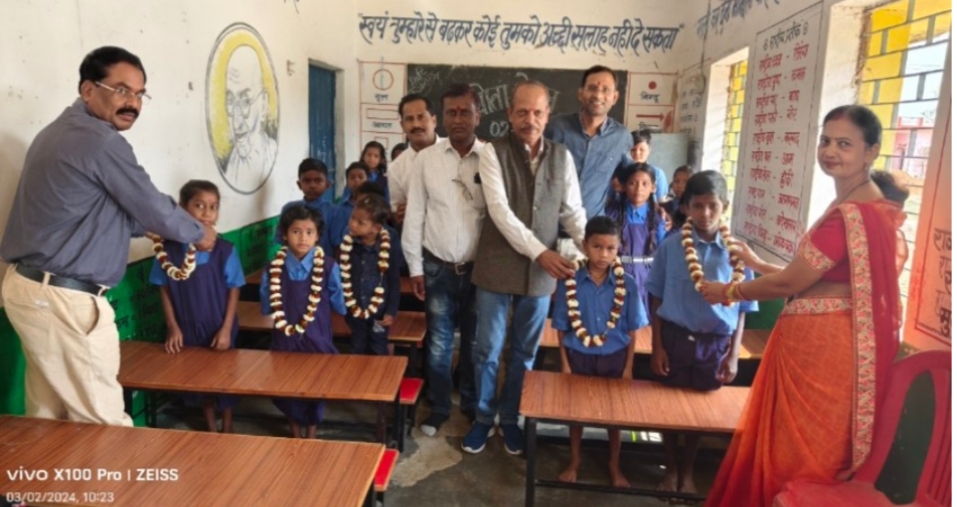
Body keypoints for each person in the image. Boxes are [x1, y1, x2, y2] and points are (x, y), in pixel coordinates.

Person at [700, 105, 909, 507]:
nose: (830, 151)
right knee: (800, 452)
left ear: (871, 152)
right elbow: (820, 276)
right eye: (826, 141)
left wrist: (727, 292)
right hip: (825, 351)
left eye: (844, 144)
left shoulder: (850, 215)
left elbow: (791, 282)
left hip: (823, 358)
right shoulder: (867, 206)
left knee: (797, 457)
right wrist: (759, 263)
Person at [0, 46, 216, 426]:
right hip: (64, 299)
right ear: (88, 89)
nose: (133, 102)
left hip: (33, 291)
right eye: (121, 90)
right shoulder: (99, 140)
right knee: (106, 426)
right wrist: (197, 232)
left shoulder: (56, 133)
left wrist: (159, 228)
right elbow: (150, 205)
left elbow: (100, 215)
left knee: (50, 418)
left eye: (140, 94)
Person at [464, 80, 587, 455]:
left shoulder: (562, 156)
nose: (529, 119)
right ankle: (483, 418)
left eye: (537, 112)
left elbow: (572, 211)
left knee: (525, 353)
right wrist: (541, 253)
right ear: (509, 114)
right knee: (487, 349)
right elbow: (500, 212)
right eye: (522, 112)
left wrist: (593, 249)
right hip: (497, 266)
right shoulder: (492, 152)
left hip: (540, 275)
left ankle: (510, 418)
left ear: (548, 115)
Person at [646, 170, 758, 498]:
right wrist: (657, 347)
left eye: (713, 206)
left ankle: (688, 470)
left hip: (715, 344)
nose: (705, 213)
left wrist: (733, 354)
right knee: (669, 408)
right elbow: (656, 297)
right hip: (675, 339)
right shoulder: (670, 247)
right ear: (685, 207)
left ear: (725, 207)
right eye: (697, 206)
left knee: (699, 410)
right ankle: (670, 467)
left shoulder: (738, 253)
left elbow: (742, 308)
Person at [402, 83, 486, 435]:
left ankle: (470, 403)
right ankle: (438, 406)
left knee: (474, 342)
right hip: (437, 268)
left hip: (480, 272)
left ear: (478, 115)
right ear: (442, 118)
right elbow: (415, 216)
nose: (458, 119)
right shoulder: (427, 160)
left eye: (465, 112)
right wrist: (415, 268)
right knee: (438, 342)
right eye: (451, 112)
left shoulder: (491, 157)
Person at [552, 216, 648, 488]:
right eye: (597, 247)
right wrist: (565, 365)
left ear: (619, 248)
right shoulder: (570, 282)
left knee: (614, 416)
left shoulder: (627, 284)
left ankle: (614, 464)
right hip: (579, 357)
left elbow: (632, 330)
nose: (604, 254)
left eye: (610, 248)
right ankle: (575, 461)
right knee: (576, 413)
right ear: (585, 245)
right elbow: (561, 327)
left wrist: (628, 368)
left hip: (614, 359)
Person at [150, 180, 244, 433]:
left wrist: (226, 329)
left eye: (213, 207)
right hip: (187, 326)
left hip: (219, 324)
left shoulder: (225, 249)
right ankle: (211, 426)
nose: (207, 213)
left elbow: (234, 288)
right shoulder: (167, 251)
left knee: (225, 378)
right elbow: (164, 289)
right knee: (199, 379)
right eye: (199, 205)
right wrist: (173, 326)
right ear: (182, 209)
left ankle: (227, 424)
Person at [260, 205, 346, 438]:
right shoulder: (274, 268)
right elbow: (267, 305)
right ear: (284, 234)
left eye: (309, 232)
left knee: (317, 385)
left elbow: (339, 303)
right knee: (286, 386)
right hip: (284, 340)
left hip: (317, 338)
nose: (303, 238)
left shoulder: (328, 266)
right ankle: (295, 431)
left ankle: (311, 433)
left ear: (318, 236)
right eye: (296, 231)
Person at [545, 65, 633, 221]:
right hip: (551, 224)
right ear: (580, 94)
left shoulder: (621, 137)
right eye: (592, 88)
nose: (598, 95)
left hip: (593, 227)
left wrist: (655, 207)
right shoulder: (555, 127)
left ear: (615, 97)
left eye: (606, 90)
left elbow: (631, 177)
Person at [340, 194, 401, 356]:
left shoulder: (387, 248)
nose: (353, 224)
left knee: (378, 346)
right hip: (355, 311)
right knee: (357, 345)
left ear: (376, 228)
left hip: (379, 313)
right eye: (352, 218)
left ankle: (380, 372)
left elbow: (394, 281)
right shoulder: (349, 245)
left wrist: (391, 311)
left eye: (360, 222)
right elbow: (344, 276)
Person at [605, 163, 667, 314]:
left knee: (644, 319)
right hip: (616, 275)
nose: (639, 189)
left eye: (645, 184)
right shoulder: (610, 214)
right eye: (632, 183)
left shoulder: (659, 218)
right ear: (623, 186)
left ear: (653, 188)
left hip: (648, 279)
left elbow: (663, 253)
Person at [223, 45, 278, 192]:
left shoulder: (273, 153)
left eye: (245, 101)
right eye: (230, 101)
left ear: (263, 105)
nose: (236, 123)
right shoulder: (231, 167)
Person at [388, 94, 442, 225]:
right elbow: (398, 215)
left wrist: (422, 207)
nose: (416, 124)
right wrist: (402, 214)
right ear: (402, 125)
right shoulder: (396, 168)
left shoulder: (456, 151)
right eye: (409, 119)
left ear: (434, 120)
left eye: (421, 117)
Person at [276, 158, 336, 254]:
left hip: (323, 261)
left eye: (318, 181)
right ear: (299, 184)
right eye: (307, 181)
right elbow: (283, 240)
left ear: (327, 185)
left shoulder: (334, 211)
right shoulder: (288, 209)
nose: (312, 185)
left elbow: (337, 245)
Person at [327, 162, 370, 251]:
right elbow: (335, 238)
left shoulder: (375, 205)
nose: (356, 180)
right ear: (347, 182)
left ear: (368, 179)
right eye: (352, 177)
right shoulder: (341, 207)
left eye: (361, 177)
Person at [629, 129, 669, 201]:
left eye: (641, 149)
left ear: (649, 150)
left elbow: (661, 202)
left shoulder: (658, 174)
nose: (637, 153)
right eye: (633, 149)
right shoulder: (621, 172)